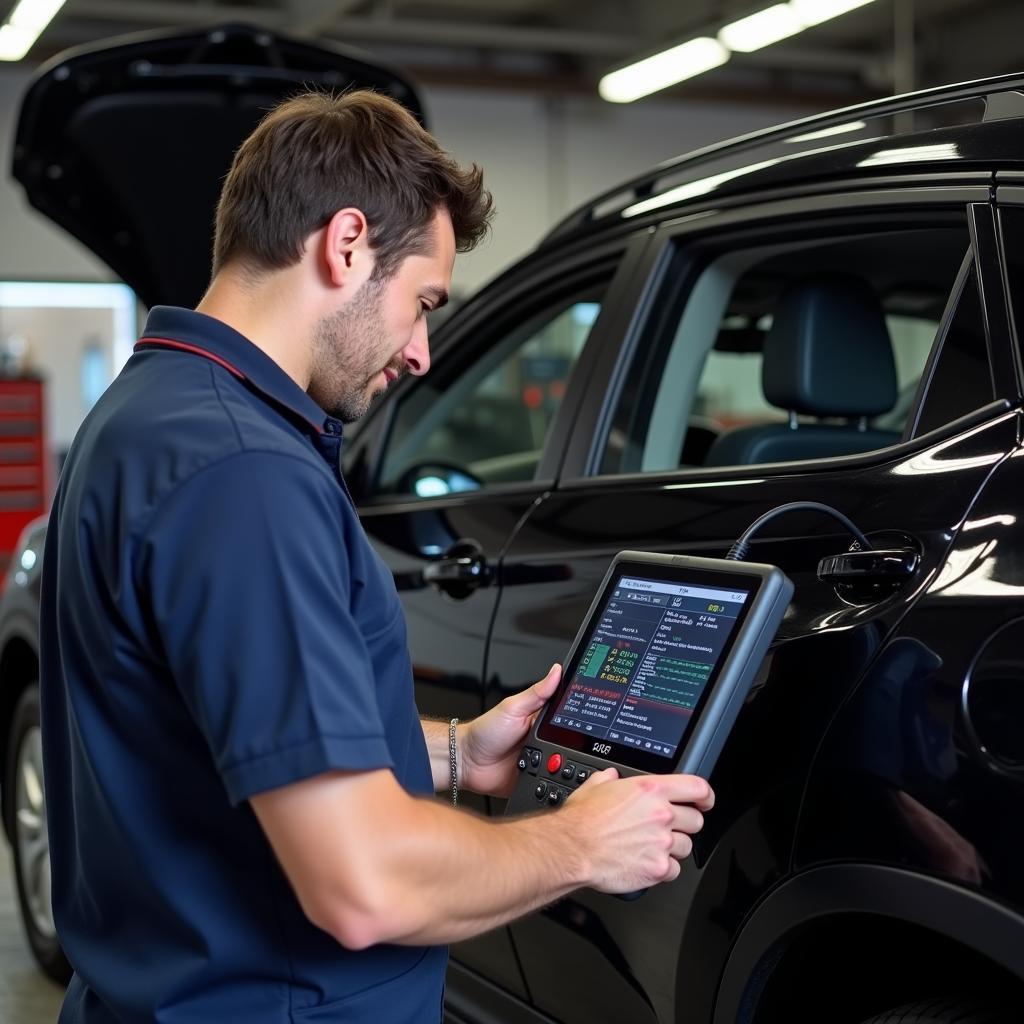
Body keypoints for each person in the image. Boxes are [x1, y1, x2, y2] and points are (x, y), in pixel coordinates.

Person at [39, 89, 714, 1023]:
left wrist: (448, 753)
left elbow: (203, 732)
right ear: (346, 242)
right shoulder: (243, 477)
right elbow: (363, 886)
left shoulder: (148, 415)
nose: (424, 351)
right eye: (422, 302)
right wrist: (580, 845)